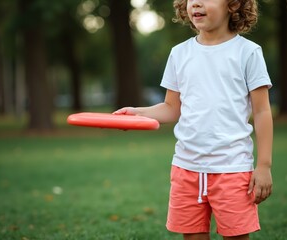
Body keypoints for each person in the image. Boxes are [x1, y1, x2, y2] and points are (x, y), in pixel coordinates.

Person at [114, 0, 273, 239]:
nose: (195, 3)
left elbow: (262, 112)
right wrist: (138, 113)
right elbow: (171, 108)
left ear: (233, 4)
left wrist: (264, 166)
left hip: (232, 169)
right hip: (186, 169)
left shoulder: (248, 52)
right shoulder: (180, 53)